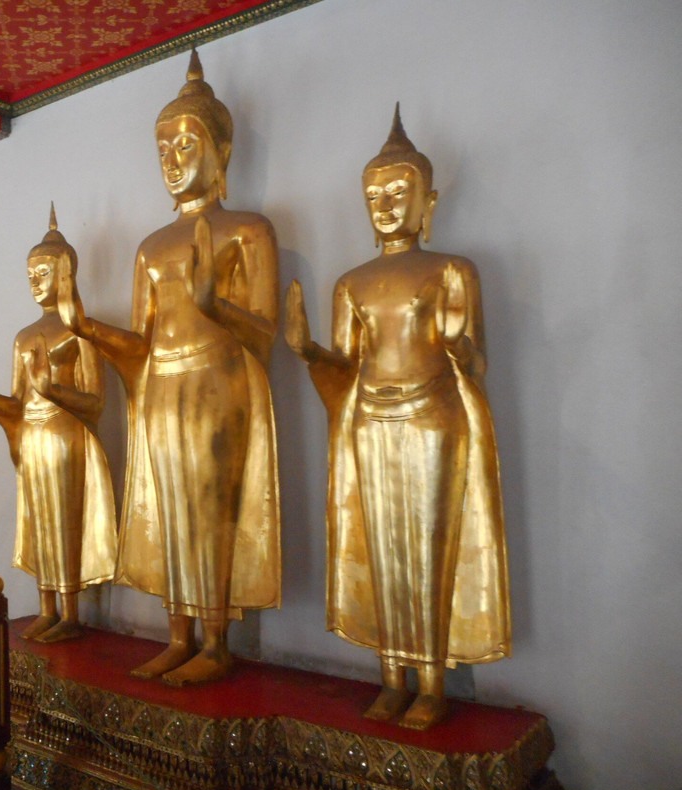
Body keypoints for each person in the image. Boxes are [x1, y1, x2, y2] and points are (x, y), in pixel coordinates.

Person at [285, 105, 511, 729]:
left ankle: (432, 682)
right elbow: (347, 366)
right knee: (381, 546)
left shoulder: (451, 270)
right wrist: (308, 350)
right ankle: (391, 675)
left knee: (430, 546)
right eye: (374, 195)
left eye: (399, 192)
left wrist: (463, 350)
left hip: (434, 414)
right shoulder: (351, 283)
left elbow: (476, 359)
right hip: (370, 417)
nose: (385, 205)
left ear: (427, 203)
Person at [58, 51, 280, 684]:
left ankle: (216, 641)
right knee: (170, 507)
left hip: (219, 384)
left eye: (187, 144)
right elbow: (140, 346)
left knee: (212, 510)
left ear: (222, 151)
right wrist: (86, 327)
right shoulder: (151, 247)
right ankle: (177, 634)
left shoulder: (248, 231)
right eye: (163, 148)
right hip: (161, 388)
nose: (173, 159)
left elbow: (267, 338)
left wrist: (217, 307)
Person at [0, 208, 116, 641]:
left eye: (43, 272)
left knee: (66, 520)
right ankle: (46, 607)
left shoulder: (80, 329)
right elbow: (16, 404)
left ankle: (71, 612)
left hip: (66, 435)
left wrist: (53, 391)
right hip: (33, 437)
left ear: (66, 273)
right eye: (30, 274)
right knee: (39, 520)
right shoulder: (24, 336)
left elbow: (96, 402)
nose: (34, 281)